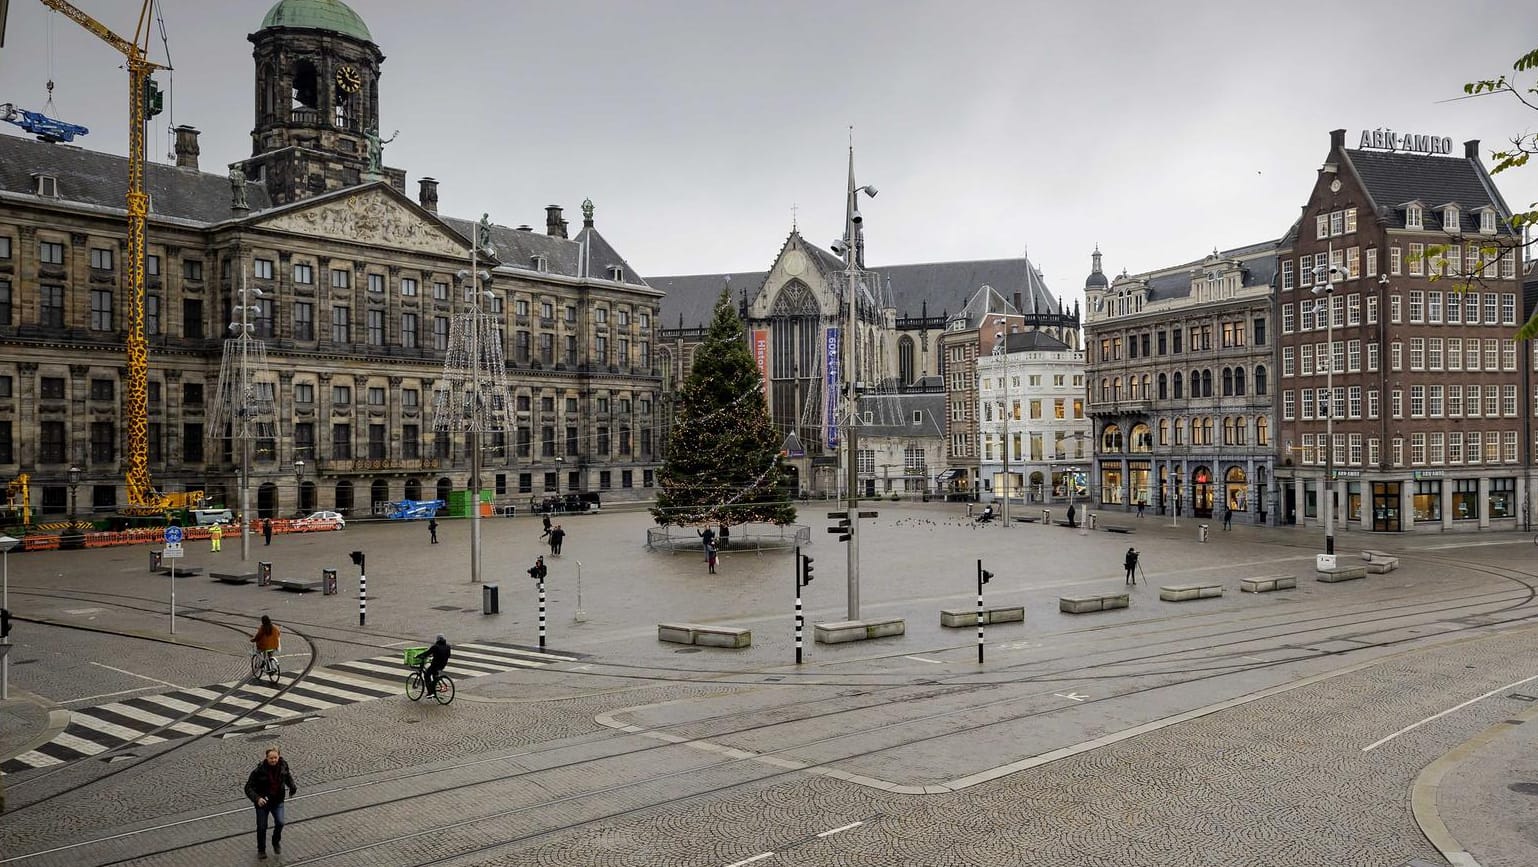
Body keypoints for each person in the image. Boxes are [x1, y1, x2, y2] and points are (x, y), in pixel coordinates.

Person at [243, 747, 297, 859]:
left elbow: (287, 777)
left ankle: (275, 841)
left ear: (279, 757)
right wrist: (257, 798)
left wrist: (292, 787)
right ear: (266, 758)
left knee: (280, 822)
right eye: (271, 758)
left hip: (277, 801)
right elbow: (248, 787)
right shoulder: (258, 771)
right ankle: (261, 850)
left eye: (275, 758)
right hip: (263, 803)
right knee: (262, 827)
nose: (273, 760)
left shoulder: (283, 765)